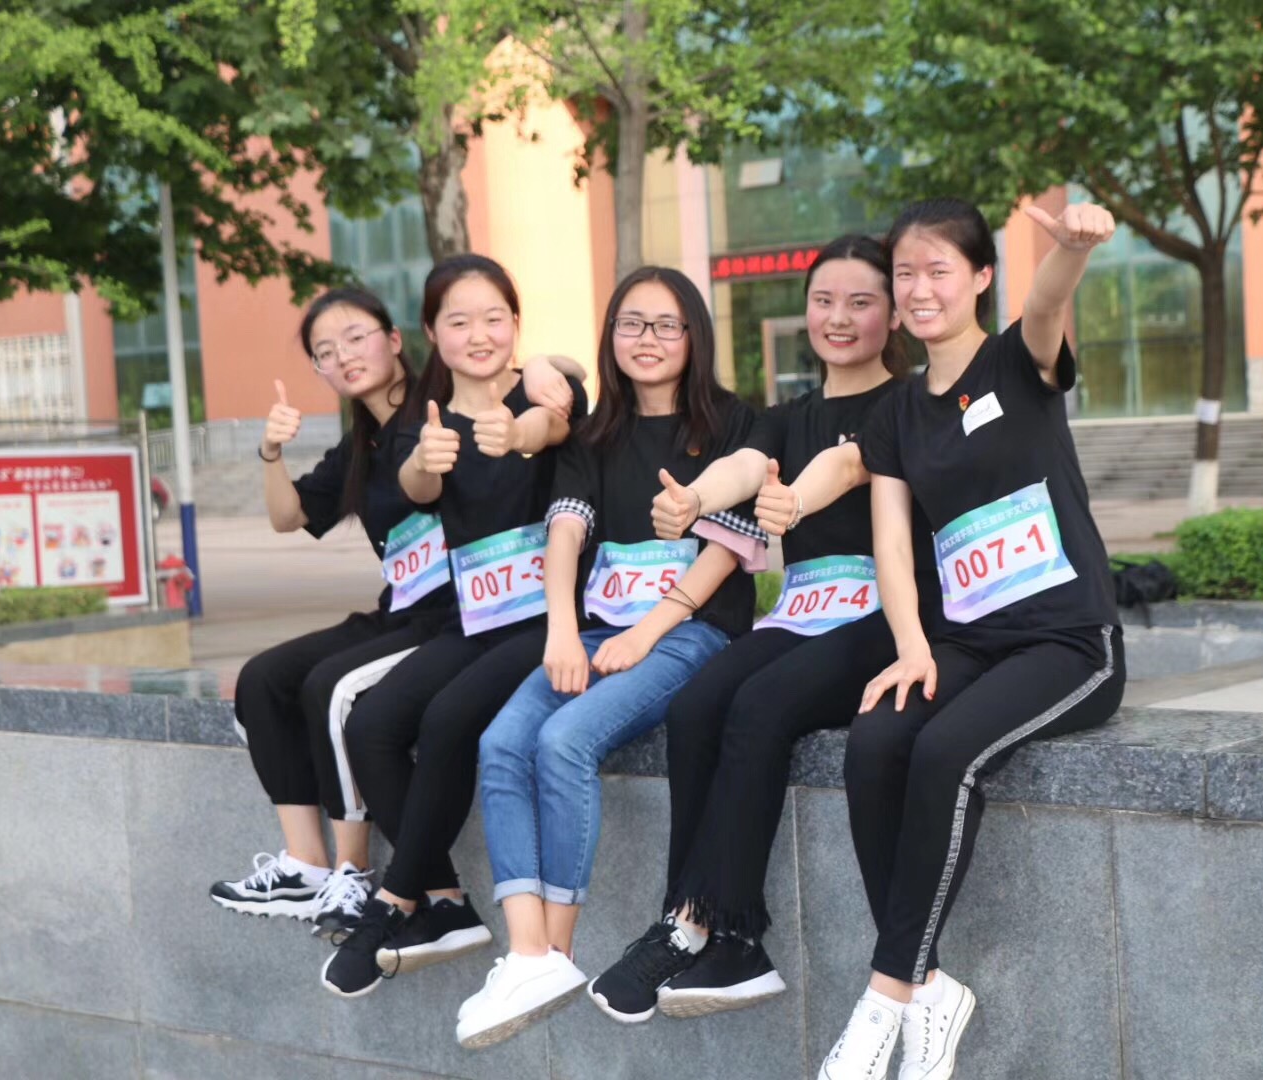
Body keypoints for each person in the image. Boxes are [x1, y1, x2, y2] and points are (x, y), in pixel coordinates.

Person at [817, 198, 1126, 1080]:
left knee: (946, 749)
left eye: (938, 271)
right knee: (876, 739)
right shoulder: (896, 414)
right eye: (904, 274)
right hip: (969, 642)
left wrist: (1071, 250)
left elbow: (1047, 305)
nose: (919, 290)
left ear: (981, 277)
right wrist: (911, 648)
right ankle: (932, 987)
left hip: (1068, 642)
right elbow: (891, 545)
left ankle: (885, 998)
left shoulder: (1017, 362)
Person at [586, 235, 929, 1024]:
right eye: (823, 301)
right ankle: (684, 920)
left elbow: (848, 465)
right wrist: (695, 499)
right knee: (698, 703)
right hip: (805, 611)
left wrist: (795, 500)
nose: (838, 317)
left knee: (762, 704)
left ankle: (732, 935)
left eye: (861, 302)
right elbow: (743, 467)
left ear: (893, 315)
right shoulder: (787, 416)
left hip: (886, 615)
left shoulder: (908, 406)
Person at [454, 267, 765, 1049]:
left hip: (689, 633)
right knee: (501, 744)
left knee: (564, 740)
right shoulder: (596, 434)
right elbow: (566, 529)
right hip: (597, 631)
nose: (647, 339)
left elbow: (727, 551)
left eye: (665, 324)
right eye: (631, 323)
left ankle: (558, 951)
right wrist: (562, 630)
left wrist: (647, 632)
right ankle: (528, 953)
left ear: (694, 335)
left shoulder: (735, 422)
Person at [209, 285, 573, 931]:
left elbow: (527, 373)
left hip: (460, 612)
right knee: (263, 679)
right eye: (326, 352)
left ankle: (360, 873)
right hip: (401, 610)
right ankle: (307, 864)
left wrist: (547, 365)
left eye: (356, 338)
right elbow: (288, 516)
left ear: (397, 339)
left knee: (332, 690)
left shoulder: (441, 394)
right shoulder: (361, 445)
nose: (344, 356)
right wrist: (271, 451)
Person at [319, 254, 586, 998]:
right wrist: (427, 462)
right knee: (371, 724)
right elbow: (417, 482)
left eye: (494, 318)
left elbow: (555, 418)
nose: (479, 335)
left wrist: (525, 418)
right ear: (431, 333)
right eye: (459, 321)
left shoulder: (547, 392)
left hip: (550, 619)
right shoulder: (424, 426)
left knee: (447, 721)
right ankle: (443, 900)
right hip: (477, 622)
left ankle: (392, 900)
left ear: (516, 323)